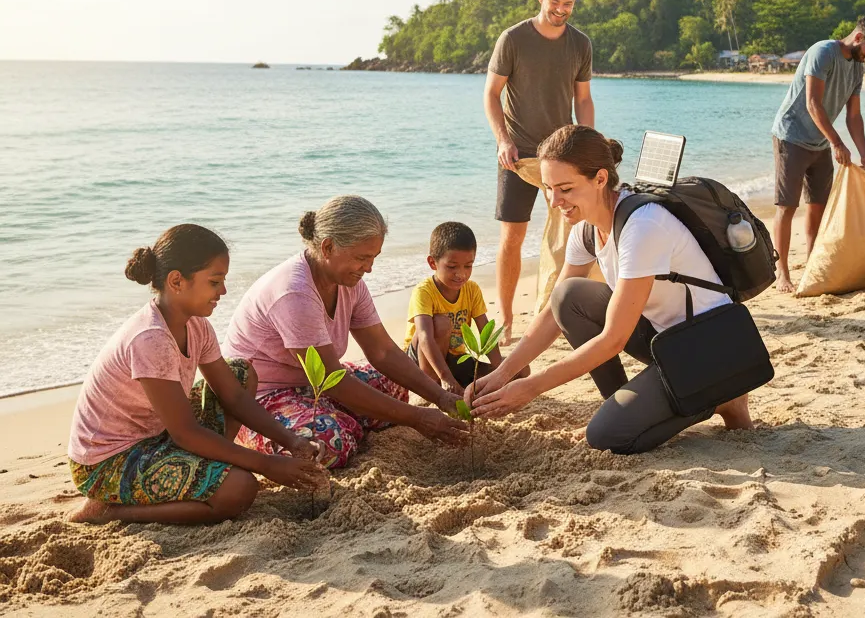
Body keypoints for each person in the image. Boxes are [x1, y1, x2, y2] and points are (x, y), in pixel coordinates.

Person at [470, 125, 754, 455]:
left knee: (607, 436)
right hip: (670, 341)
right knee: (568, 297)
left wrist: (531, 387)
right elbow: (553, 312)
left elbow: (614, 339)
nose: (554, 200)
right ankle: (627, 405)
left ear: (600, 179)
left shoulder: (643, 226)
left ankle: (720, 398)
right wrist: (504, 373)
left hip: (710, 352)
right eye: (548, 188)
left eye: (565, 188)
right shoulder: (586, 230)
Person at [67, 225, 323, 525]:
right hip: (107, 461)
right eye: (215, 281)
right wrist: (266, 465)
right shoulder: (150, 338)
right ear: (177, 281)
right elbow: (185, 432)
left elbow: (234, 395)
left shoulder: (196, 325)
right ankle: (107, 512)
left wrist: (291, 440)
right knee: (239, 489)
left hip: (157, 435)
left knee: (240, 373)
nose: (223, 291)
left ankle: (206, 469)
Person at [222, 195, 466, 469]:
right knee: (329, 442)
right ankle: (337, 421)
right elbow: (330, 378)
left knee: (397, 387)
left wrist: (439, 396)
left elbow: (382, 351)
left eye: (373, 257)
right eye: (362, 258)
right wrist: (417, 418)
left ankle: (342, 417)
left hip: (313, 386)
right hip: (261, 399)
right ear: (327, 247)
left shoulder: (349, 282)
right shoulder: (295, 292)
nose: (369, 268)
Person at [484, 0, 594, 344]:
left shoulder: (580, 44)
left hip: (560, 153)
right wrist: (502, 140)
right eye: (555, 1)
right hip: (516, 156)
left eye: (569, 3)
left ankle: (556, 312)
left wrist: (588, 144)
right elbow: (491, 95)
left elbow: (583, 99)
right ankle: (508, 319)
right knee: (512, 238)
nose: (562, 9)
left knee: (571, 235)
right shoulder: (513, 39)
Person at [771, 15, 865, 292]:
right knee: (787, 207)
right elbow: (813, 103)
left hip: (820, 142)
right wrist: (838, 143)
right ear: (859, 38)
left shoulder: (858, 69)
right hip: (791, 136)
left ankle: (814, 266)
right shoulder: (822, 52)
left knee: (818, 206)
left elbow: (854, 116)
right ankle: (783, 274)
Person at [405, 221, 528, 392]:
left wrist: (500, 371)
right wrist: (445, 378)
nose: (461, 274)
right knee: (441, 323)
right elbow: (425, 337)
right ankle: (434, 386)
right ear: (433, 263)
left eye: (468, 266)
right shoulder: (424, 291)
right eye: (452, 267)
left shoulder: (471, 289)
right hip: (424, 362)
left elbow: (485, 332)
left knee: (521, 370)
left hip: (458, 360)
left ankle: (457, 385)